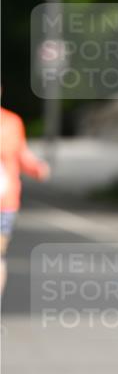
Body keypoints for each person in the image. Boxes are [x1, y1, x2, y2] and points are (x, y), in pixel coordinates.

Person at [1, 94, 51, 296]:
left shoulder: (11, 122)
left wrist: (37, 168)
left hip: (4, 201)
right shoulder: (11, 122)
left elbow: (21, 154)